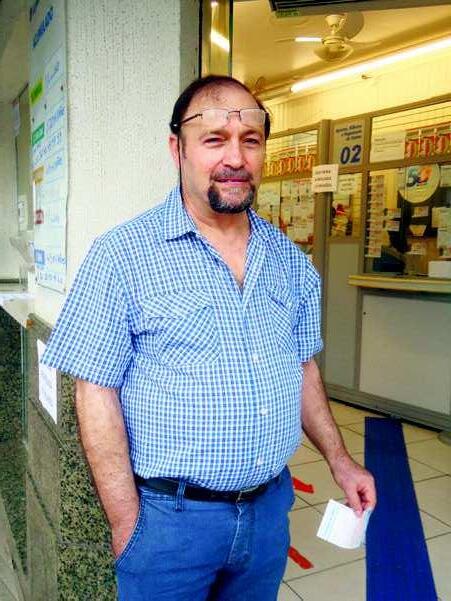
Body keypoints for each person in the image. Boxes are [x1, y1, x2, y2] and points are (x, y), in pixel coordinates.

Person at [42, 75, 376, 601]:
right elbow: (95, 391)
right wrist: (126, 522)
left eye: (251, 140)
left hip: (268, 513)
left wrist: (340, 460)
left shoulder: (289, 261)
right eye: (215, 139)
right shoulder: (122, 256)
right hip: (168, 524)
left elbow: (302, 369)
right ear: (177, 149)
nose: (235, 158)